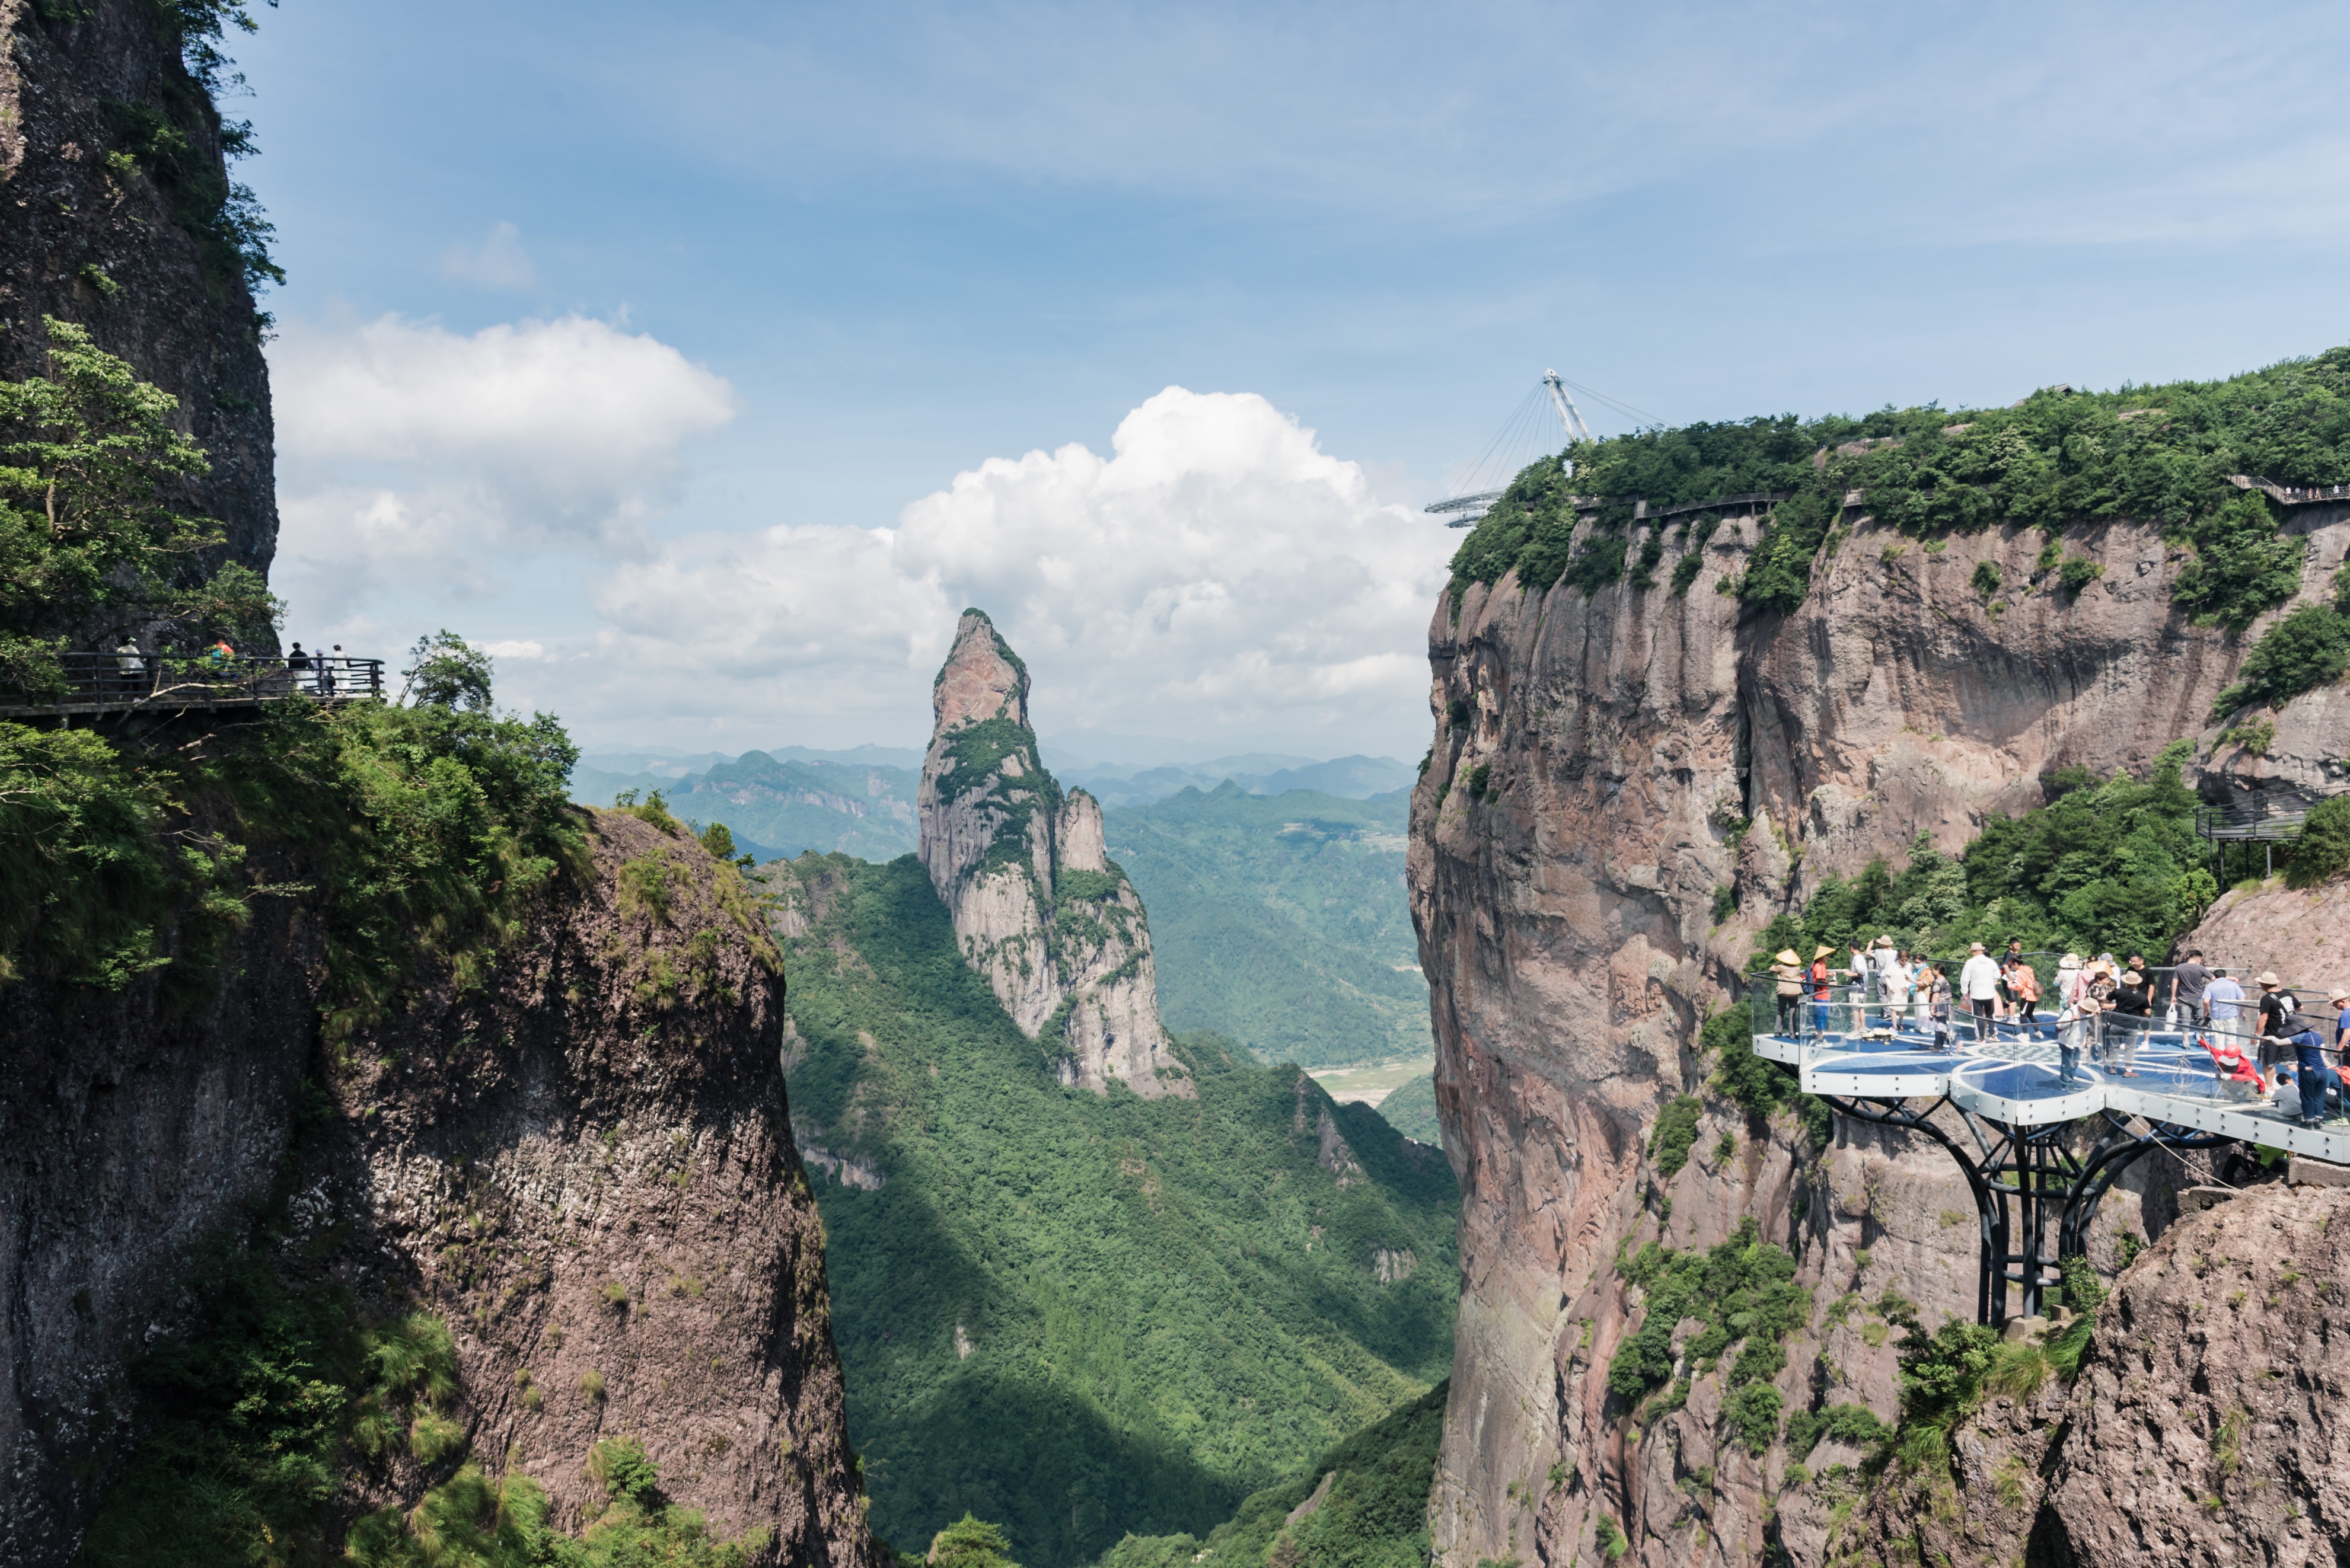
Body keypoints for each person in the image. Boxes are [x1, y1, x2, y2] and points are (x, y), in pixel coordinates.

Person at [2255, 972, 2303, 1093]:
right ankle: (2299, 1086)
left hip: (2272, 1035)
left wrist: (2256, 1034)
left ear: (2264, 985)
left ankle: (2270, 1088)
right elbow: (2300, 1007)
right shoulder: (2287, 993)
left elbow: (2263, 1018)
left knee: (2269, 1062)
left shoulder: (2266, 999)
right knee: (2290, 1062)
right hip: (2289, 1033)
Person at [2110, 969, 2153, 1076]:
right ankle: (2128, 1070)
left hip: (2116, 1022)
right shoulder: (2142, 996)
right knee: (2130, 1048)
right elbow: (2148, 1011)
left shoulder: (2118, 992)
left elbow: (2106, 1000)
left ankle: (2112, 1067)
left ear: (2126, 982)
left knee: (2114, 1045)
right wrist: (2140, 1020)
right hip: (2132, 1024)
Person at [1959, 941, 2002, 1042]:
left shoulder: (1970, 962)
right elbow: (1998, 975)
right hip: (1990, 992)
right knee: (1991, 1015)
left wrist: (1964, 992)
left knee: (1978, 1016)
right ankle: (1993, 1034)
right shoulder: (1991, 962)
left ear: (1973, 952)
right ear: (1982, 951)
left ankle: (1980, 1037)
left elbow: (1965, 979)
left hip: (1977, 993)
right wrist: (1992, 980)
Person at [2205, 1032, 2265, 1102]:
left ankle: (2253, 1098)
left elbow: (2249, 1077)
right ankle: (2233, 1096)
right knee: (2219, 1076)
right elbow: (2211, 1049)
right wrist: (2200, 1040)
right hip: (2237, 1083)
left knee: (2251, 1081)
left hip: (2253, 1087)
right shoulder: (2222, 1055)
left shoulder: (2246, 1064)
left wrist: (2231, 1076)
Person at [2172, 949, 2211, 1025]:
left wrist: (2173, 996)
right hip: (2197, 997)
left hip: (2183, 997)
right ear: (2199, 959)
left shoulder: (2179, 967)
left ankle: (2185, 1037)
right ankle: (2201, 1036)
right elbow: (2214, 978)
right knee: (2200, 1018)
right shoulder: (2201, 968)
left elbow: (2174, 983)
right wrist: (2228, 978)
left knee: (2185, 1019)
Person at [1771, 949, 1804, 1035]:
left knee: (1781, 1012)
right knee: (1792, 1013)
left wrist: (1779, 963)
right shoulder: (1797, 968)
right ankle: (1793, 1033)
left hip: (1784, 992)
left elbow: (1771, 969)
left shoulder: (1780, 967)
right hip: (1794, 993)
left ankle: (1778, 1031)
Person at [2004, 954, 2042, 1029]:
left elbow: (2020, 986)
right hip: (2034, 995)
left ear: (2015, 964)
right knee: (2030, 1014)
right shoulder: (2027, 969)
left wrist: (2010, 985)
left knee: (2023, 1014)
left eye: (2011, 965)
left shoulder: (2019, 972)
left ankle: (2025, 1035)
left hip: (2027, 996)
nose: (2011, 967)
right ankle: (2038, 1032)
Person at [1809, 946, 1835, 1037]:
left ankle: (1814, 1036)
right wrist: (1830, 984)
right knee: (1821, 1017)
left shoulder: (1816, 965)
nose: (1828, 957)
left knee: (1817, 1016)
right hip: (1822, 996)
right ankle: (1820, 1039)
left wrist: (1827, 975)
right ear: (1822, 956)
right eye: (1827, 955)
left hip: (1817, 996)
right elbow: (1819, 982)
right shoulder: (1820, 967)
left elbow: (1818, 978)